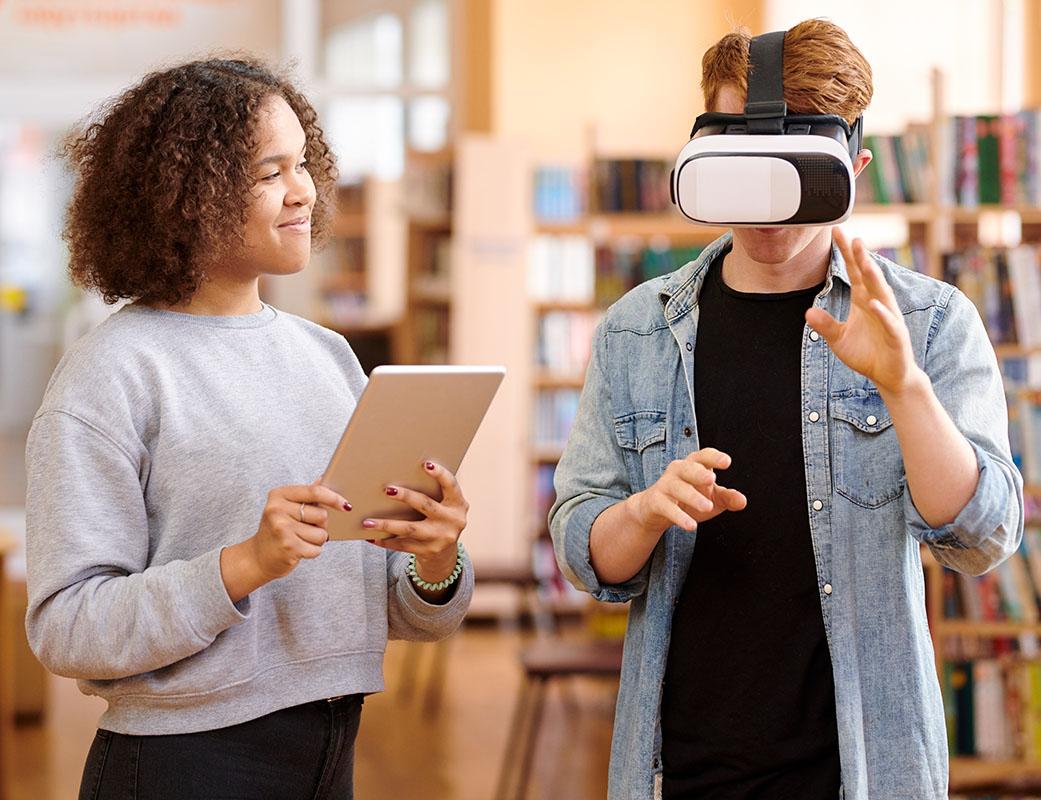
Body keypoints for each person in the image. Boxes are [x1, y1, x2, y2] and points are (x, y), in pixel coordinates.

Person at [549, 19, 1023, 800]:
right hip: (680, 764)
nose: (769, 207)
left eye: (795, 172)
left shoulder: (931, 321)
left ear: (853, 168)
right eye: (742, 168)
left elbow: (980, 537)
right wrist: (643, 512)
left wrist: (904, 388)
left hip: (862, 768)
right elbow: (583, 553)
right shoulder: (636, 331)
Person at [25, 57, 473, 800]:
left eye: (302, 163)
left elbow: (395, 607)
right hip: (181, 765)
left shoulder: (329, 358)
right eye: (270, 172)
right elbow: (66, 629)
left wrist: (434, 560)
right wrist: (241, 565)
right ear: (184, 196)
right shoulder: (112, 373)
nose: (303, 190)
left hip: (331, 744)